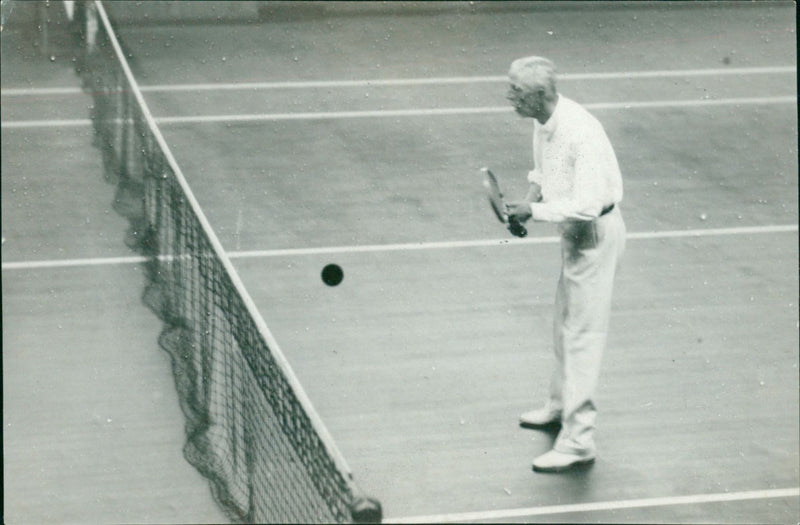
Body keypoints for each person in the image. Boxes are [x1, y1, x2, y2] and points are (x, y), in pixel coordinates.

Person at [504, 56, 626, 473]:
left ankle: (578, 441)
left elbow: (588, 206)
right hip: (573, 235)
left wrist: (532, 214)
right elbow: (542, 174)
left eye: (516, 91)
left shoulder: (580, 133)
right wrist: (529, 201)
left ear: (539, 94)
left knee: (582, 337)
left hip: (594, 236)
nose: (509, 97)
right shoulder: (542, 121)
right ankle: (558, 407)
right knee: (563, 325)